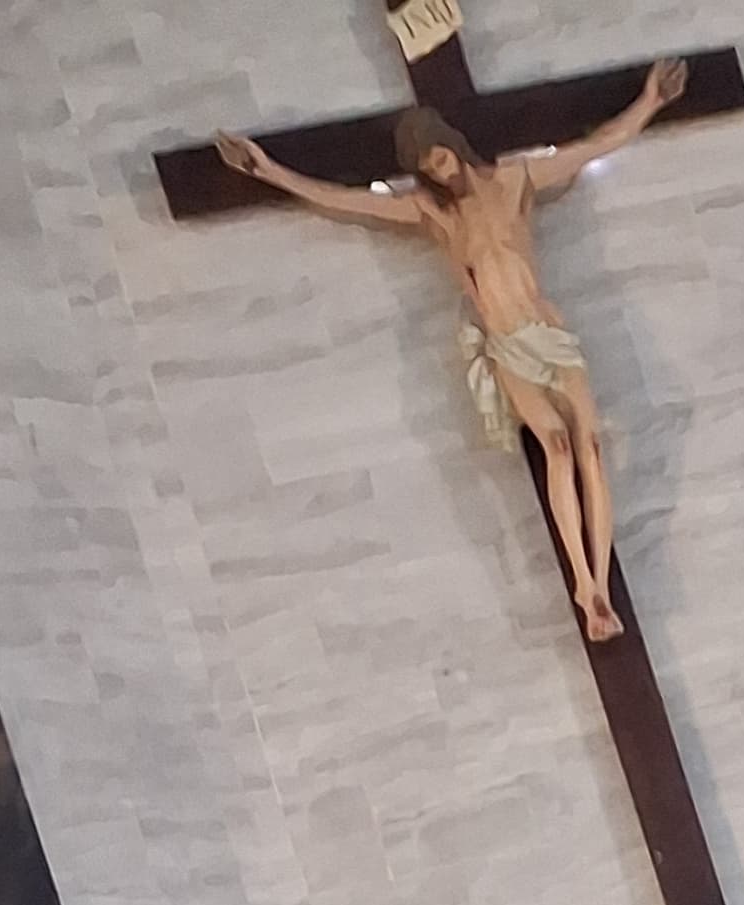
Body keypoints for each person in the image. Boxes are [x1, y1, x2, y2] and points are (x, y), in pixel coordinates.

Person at [216, 69, 689, 642]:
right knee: (557, 446)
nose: (440, 170)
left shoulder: (516, 180)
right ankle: (585, 589)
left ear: (455, 146)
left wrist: (648, 102)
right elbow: (341, 200)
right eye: (428, 167)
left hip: (548, 328)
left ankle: (605, 589)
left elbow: (596, 146)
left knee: (589, 440)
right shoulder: (431, 213)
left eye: (440, 157)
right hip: (507, 342)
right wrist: (266, 170)